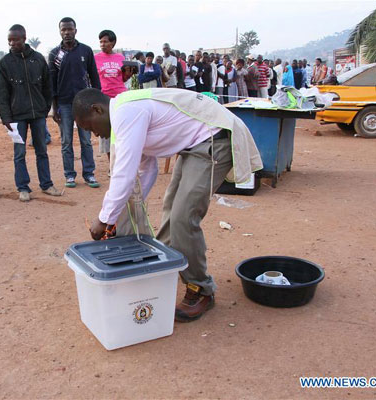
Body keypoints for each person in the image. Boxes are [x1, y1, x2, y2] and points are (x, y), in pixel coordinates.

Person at [73, 87, 262, 322]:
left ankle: (201, 290)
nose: (96, 135)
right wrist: (128, 209)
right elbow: (146, 168)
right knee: (170, 211)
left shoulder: (126, 112)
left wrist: (104, 219)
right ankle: (161, 275)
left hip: (213, 139)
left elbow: (124, 174)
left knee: (183, 218)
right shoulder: (126, 112)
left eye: (90, 127)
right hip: (192, 147)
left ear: (97, 109)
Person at [0, 24, 61, 202]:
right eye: (9, 40)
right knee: (19, 154)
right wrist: (6, 118)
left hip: (38, 115)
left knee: (42, 151)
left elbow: (48, 87)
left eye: (15, 39)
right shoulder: (6, 63)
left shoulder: (38, 59)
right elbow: (2, 93)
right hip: (17, 117)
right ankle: (23, 188)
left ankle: (47, 184)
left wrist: (44, 107)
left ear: (24, 38)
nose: (12, 43)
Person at [48, 17, 101, 189]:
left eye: (70, 29)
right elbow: (52, 82)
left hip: (84, 105)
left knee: (86, 141)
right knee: (66, 141)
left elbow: (94, 76)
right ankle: (69, 175)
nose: (67, 32)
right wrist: (54, 107)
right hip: (63, 104)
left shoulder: (85, 51)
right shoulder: (54, 54)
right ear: (60, 31)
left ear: (75, 30)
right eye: (63, 30)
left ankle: (89, 174)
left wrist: (97, 101)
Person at [94, 29, 126, 163]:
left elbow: (123, 78)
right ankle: (111, 163)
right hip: (104, 99)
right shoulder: (96, 58)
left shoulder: (121, 58)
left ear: (113, 43)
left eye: (105, 41)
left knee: (121, 129)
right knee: (106, 131)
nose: (102, 44)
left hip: (120, 97)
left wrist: (128, 75)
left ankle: (122, 160)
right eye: (100, 42)